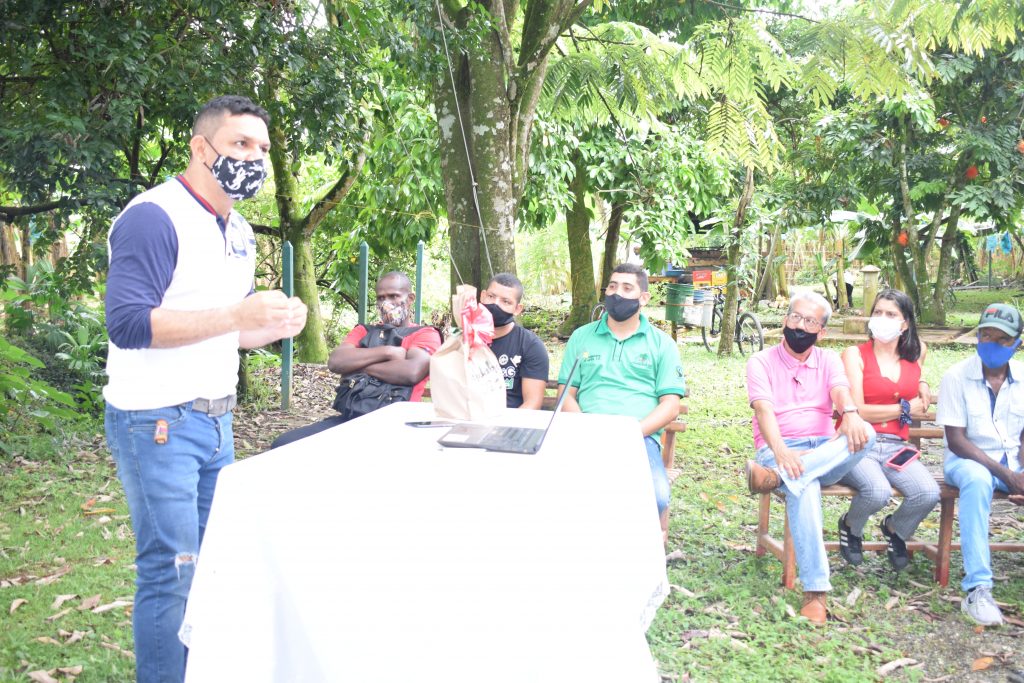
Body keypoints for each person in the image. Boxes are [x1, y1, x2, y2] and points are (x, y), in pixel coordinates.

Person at [103, 95, 307, 683]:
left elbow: (224, 329)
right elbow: (128, 324)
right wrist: (237, 314)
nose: (253, 159)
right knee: (172, 570)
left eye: (261, 149)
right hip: (157, 421)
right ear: (201, 147)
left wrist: (269, 326)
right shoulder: (154, 217)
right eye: (240, 143)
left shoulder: (237, 228)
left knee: (213, 568)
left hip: (217, 423)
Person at [744, 291, 875, 625]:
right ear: (785, 320)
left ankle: (778, 478)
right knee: (805, 486)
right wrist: (781, 452)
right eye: (795, 317)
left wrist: (850, 413)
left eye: (810, 321)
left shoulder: (828, 359)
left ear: (822, 331)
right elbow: (763, 411)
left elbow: (840, 392)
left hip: (824, 451)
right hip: (779, 448)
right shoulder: (761, 361)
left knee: (867, 433)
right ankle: (815, 592)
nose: (800, 326)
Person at [556, 263, 685, 541]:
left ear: (644, 298)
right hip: (586, 434)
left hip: (639, 437)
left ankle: (625, 548)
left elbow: (671, 405)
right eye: (612, 287)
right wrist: (586, 429)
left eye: (627, 288)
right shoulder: (581, 337)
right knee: (562, 491)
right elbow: (566, 394)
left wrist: (631, 433)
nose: (617, 294)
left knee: (655, 495)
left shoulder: (662, 344)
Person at [271, 272, 441, 448]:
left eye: (393, 296)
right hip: (351, 419)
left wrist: (359, 365)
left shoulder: (425, 334)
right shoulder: (364, 331)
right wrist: (389, 352)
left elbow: (411, 372)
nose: (386, 303)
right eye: (381, 298)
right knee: (283, 444)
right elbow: (336, 362)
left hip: (396, 426)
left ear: (410, 298)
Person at [837, 289, 940, 572]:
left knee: (927, 492)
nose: (882, 318)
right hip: (860, 443)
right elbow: (858, 409)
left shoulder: (918, 352)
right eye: (878, 312)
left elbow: (915, 379)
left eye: (891, 314)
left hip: (897, 446)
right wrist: (904, 409)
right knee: (877, 491)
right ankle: (851, 526)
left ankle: (896, 529)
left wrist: (923, 385)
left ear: (904, 323)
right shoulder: (854, 355)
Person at [937, 303, 1024, 626]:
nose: (992, 343)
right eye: (986, 335)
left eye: (1002, 339)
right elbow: (957, 440)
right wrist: (1008, 475)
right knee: (977, 480)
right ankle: (978, 588)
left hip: (1011, 461)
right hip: (966, 461)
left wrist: (1021, 474)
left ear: (1017, 343)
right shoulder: (956, 376)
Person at [480, 273, 549, 409]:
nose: (495, 304)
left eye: (506, 301)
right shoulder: (464, 340)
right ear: (482, 296)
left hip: (510, 418)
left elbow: (532, 403)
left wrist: (509, 422)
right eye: (491, 296)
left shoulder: (530, 345)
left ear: (517, 309)